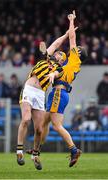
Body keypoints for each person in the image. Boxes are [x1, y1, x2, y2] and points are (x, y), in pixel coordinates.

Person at [27, 11, 87, 168]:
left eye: (77, 48)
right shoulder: (73, 65)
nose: (74, 48)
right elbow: (58, 44)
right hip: (60, 92)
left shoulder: (74, 58)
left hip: (59, 92)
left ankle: (74, 150)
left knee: (56, 125)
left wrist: (71, 21)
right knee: (43, 123)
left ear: (78, 53)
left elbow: (72, 38)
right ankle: (36, 150)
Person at [16, 26, 74, 170]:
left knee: (40, 130)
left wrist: (52, 75)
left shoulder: (59, 69)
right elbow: (55, 44)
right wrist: (66, 34)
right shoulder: (46, 57)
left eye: (60, 54)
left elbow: (56, 74)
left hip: (40, 94)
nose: (58, 53)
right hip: (29, 89)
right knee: (25, 119)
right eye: (58, 53)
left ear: (62, 60)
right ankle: (19, 151)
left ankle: (35, 154)